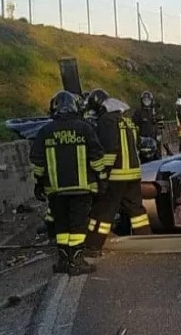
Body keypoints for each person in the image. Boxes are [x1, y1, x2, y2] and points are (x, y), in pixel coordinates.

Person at [30, 90, 107, 275]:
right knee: (78, 225)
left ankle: (64, 261)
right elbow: (96, 157)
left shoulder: (45, 131)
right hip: (81, 188)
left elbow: (37, 161)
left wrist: (39, 184)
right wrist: (102, 179)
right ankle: (77, 261)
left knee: (62, 226)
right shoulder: (85, 128)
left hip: (56, 190)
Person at [84, 89, 153, 257]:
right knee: (136, 211)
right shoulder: (127, 121)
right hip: (134, 174)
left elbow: (110, 150)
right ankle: (148, 242)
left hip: (116, 175)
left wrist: (102, 174)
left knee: (103, 211)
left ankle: (93, 247)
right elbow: (136, 145)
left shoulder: (106, 121)